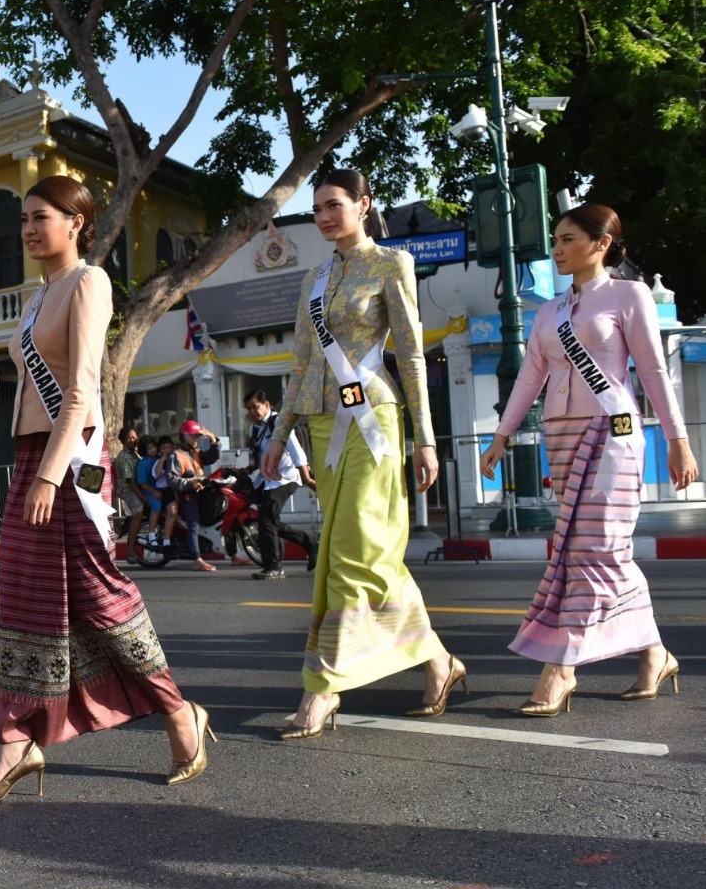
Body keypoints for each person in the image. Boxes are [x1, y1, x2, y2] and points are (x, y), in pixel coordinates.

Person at [0, 174, 213, 801]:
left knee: (98, 593)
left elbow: (82, 393)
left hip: (69, 461)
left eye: (41, 216)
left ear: (75, 222)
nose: (27, 229)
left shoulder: (87, 282)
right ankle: (16, 739)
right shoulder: (34, 297)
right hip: (32, 455)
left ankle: (180, 712)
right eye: (24, 218)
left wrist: (48, 473)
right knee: (25, 595)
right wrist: (31, 466)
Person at [262, 168, 465, 739]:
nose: (324, 216)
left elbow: (412, 355)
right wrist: (280, 436)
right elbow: (301, 363)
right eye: (318, 208)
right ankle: (437, 660)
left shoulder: (390, 264)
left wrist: (424, 436)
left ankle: (321, 690)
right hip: (324, 426)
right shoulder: (314, 279)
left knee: (354, 550)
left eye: (334, 205)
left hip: (372, 418)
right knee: (352, 550)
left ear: (362, 204)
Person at [480, 205, 698, 716]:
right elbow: (529, 380)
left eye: (567, 239)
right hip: (562, 433)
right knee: (597, 549)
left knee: (593, 544)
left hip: (614, 432)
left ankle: (561, 669)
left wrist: (678, 439)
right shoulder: (548, 312)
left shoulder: (628, 295)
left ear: (600, 243)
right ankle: (654, 653)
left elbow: (651, 371)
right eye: (554, 239)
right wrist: (501, 436)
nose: (556, 248)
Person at [243, 389, 318, 580]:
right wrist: (248, 469)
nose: (252, 411)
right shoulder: (255, 428)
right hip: (268, 479)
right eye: (249, 408)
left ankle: (274, 567)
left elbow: (296, 449)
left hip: (286, 477)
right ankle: (310, 542)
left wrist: (307, 478)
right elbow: (260, 454)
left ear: (266, 405)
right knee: (270, 521)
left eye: (255, 406)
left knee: (265, 519)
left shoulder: (278, 422)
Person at [160, 419, 222, 572]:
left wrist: (213, 441)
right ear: (184, 436)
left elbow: (212, 457)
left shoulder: (195, 453)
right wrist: (190, 483)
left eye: (198, 437)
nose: (196, 439)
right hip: (187, 496)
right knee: (193, 524)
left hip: (201, 493)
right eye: (193, 436)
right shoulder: (176, 455)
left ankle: (233, 555)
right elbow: (172, 479)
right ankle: (197, 560)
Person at [113, 426, 146, 563]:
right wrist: (142, 497)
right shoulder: (123, 457)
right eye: (129, 438)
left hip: (140, 486)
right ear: (123, 441)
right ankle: (131, 550)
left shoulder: (136, 453)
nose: (133, 440)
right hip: (129, 490)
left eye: (134, 437)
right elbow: (130, 482)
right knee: (138, 511)